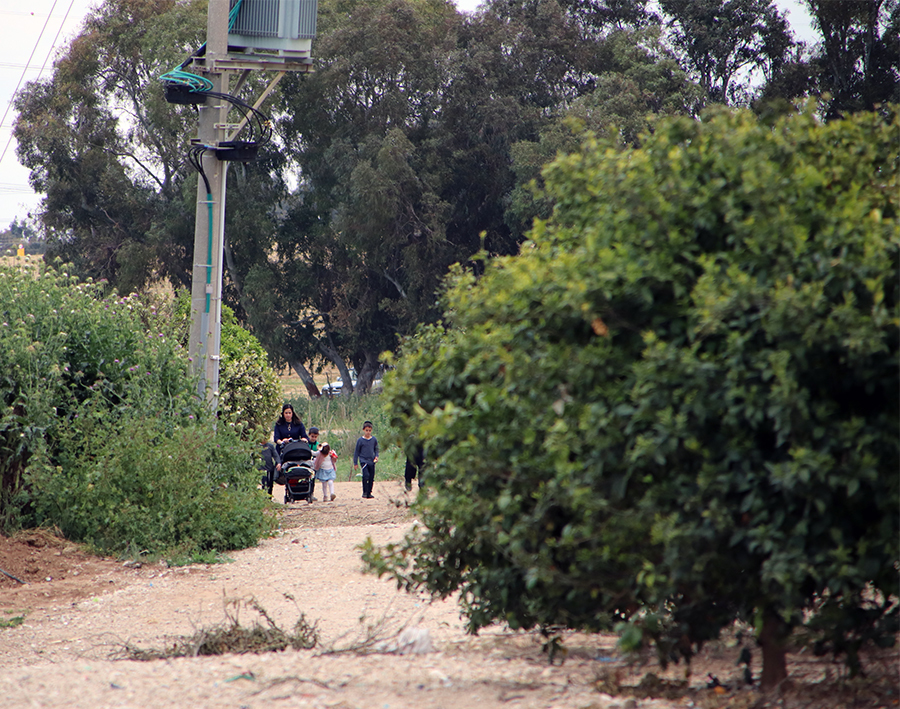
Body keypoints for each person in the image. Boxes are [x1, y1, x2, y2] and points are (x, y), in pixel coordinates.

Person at [353, 421, 379, 499]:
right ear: (363, 430)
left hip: (372, 461)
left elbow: (376, 449)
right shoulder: (360, 440)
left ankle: (369, 492)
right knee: (366, 475)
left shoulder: (374, 439)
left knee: (371, 477)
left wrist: (376, 456)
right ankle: (364, 492)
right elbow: (356, 452)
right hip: (363, 460)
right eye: (366, 430)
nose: (368, 432)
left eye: (369, 430)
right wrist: (355, 463)